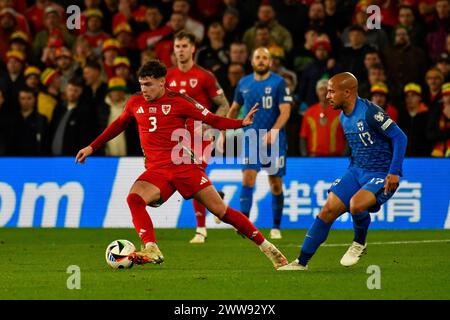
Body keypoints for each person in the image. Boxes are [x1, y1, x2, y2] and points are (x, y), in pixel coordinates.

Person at [75, 60, 288, 269]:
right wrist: (92, 147)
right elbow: (118, 125)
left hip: (184, 166)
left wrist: (239, 123)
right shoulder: (135, 103)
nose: (144, 89)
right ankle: (151, 247)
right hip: (157, 171)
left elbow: (212, 119)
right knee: (134, 198)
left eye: (148, 84)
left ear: (162, 82)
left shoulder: (180, 101)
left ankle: (268, 248)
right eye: (141, 84)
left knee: (221, 211)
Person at [279, 72, 407, 271]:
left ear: (347, 93)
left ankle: (359, 243)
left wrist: (395, 171)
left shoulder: (370, 112)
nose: (327, 95)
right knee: (327, 210)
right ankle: (301, 262)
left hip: (381, 173)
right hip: (356, 171)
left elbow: (400, 138)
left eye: (331, 91)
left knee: (356, 205)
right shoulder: (342, 116)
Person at [220, 47, 292, 240]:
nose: (261, 60)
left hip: (274, 140)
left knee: (275, 184)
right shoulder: (244, 83)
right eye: (258, 57)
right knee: (248, 178)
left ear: (270, 62)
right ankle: (244, 222)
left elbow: (285, 111)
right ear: (252, 61)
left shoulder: (279, 82)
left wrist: (275, 131)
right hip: (251, 138)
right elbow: (235, 109)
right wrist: (224, 131)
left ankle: (276, 226)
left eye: (264, 58)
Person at [166, 31, 230, 244]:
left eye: (184, 46)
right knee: (188, 180)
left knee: (194, 175)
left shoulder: (205, 76)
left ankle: (201, 230)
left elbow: (224, 105)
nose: (181, 50)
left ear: (193, 49)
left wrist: (209, 124)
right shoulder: (167, 77)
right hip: (176, 138)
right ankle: (216, 197)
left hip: (200, 136)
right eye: (177, 46)